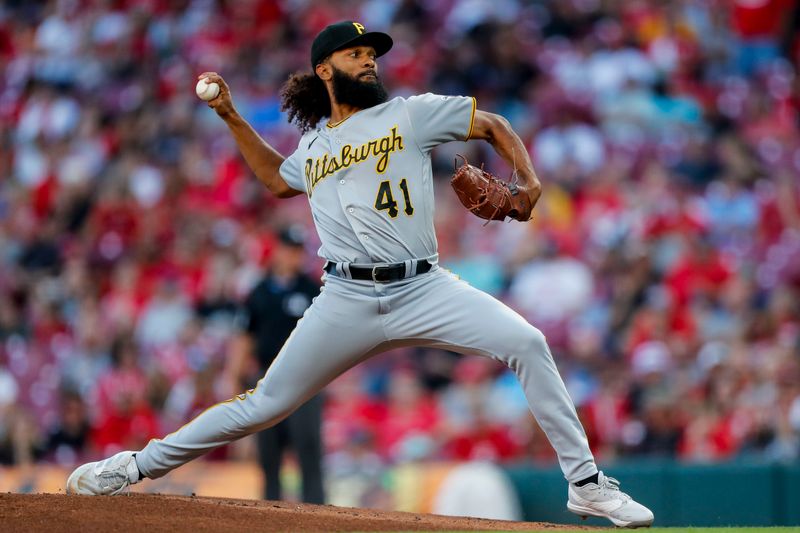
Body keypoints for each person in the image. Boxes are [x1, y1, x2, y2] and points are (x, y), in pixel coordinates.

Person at [66, 21, 654, 527]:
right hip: (344, 296)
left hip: (424, 286)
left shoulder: (409, 114)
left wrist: (528, 182)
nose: (369, 60)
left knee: (528, 342)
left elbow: (494, 124)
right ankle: (132, 466)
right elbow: (276, 179)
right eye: (356, 54)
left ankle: (586, 484)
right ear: (326, 69)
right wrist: (229, 115)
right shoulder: (316, 146)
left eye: (372, 54)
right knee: (263, 404)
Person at [231, 225, 324, 503]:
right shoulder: (258, 292)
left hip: (304, 379)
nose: (294, 256)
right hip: (266, 377)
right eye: (290, 249)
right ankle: (270, 513)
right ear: (279, 250)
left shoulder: (312, 289)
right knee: (269, 453)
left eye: (298, 251)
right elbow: (244, 337)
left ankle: (316, 513)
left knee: (307, 448)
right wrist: (234, 376)